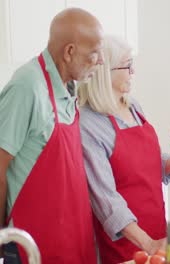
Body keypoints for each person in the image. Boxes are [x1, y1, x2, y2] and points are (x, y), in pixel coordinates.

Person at [78, 35, 170, 264]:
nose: (133, 72)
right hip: (127, 242)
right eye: (127, 65)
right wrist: (148, 243)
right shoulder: (88, 125)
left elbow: (145, 163)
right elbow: (105, 199)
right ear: (105, 72)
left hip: (157, 230)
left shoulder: (132, 106)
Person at [0, 8, 104, 264]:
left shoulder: (70, 86)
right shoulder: (27, 86)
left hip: (70, 240)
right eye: (94, 53)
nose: (101, 61)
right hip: (30, 246)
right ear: (69, 52)